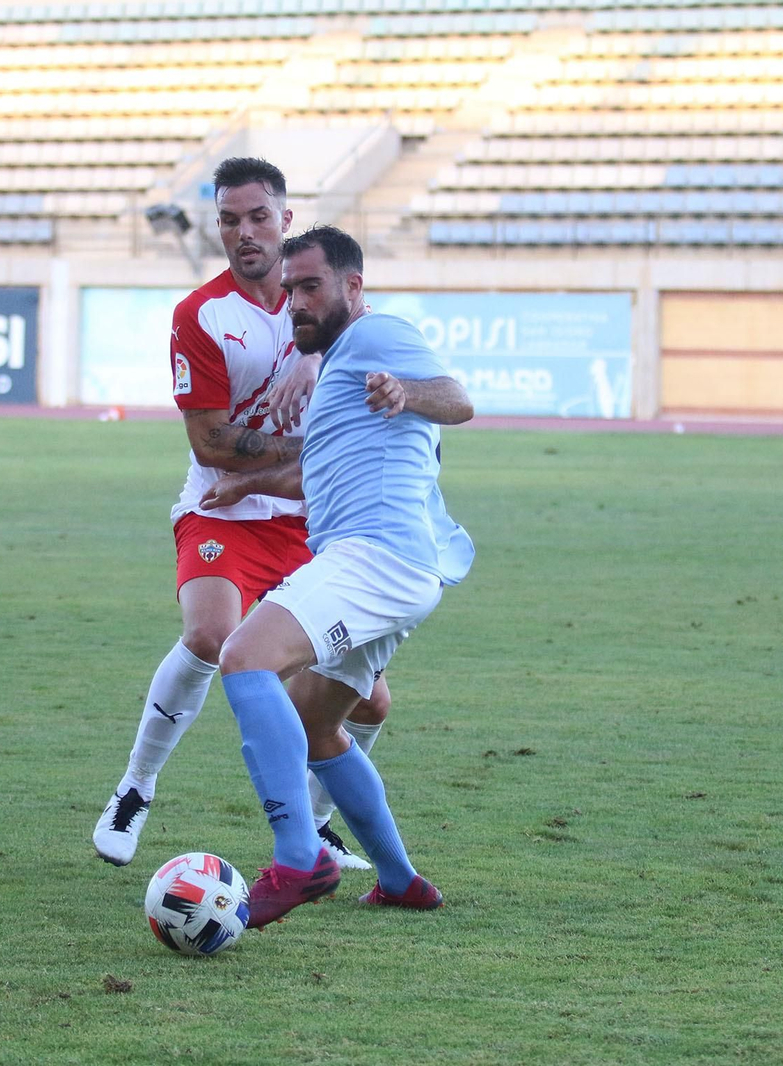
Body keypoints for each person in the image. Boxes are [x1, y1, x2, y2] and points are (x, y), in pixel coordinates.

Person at [92, 158, 392, 871]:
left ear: (285, 219)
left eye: (259, 217)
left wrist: (312, 362)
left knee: (369, 702)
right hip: (223, 512)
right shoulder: (201, 315)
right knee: (209, 634)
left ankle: (319, 826)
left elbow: (365, 349)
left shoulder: (319, 298)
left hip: (311, 520)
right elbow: (211, 444)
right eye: (230, 220)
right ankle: (135, 787)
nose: (245, 232)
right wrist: (305, 445)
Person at [204, 224, 475, 929]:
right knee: (315, 723)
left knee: (244, 657)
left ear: (352, 286)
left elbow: (457, 399)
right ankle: (400, 881)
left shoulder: (378, 334)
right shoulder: (340, 368)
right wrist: (248, 485)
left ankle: (300, 858)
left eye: (311, 286)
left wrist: (407, 390)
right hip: (398, 567)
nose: (295, 300)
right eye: (290, 289)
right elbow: (318, 472)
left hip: (376, 556)